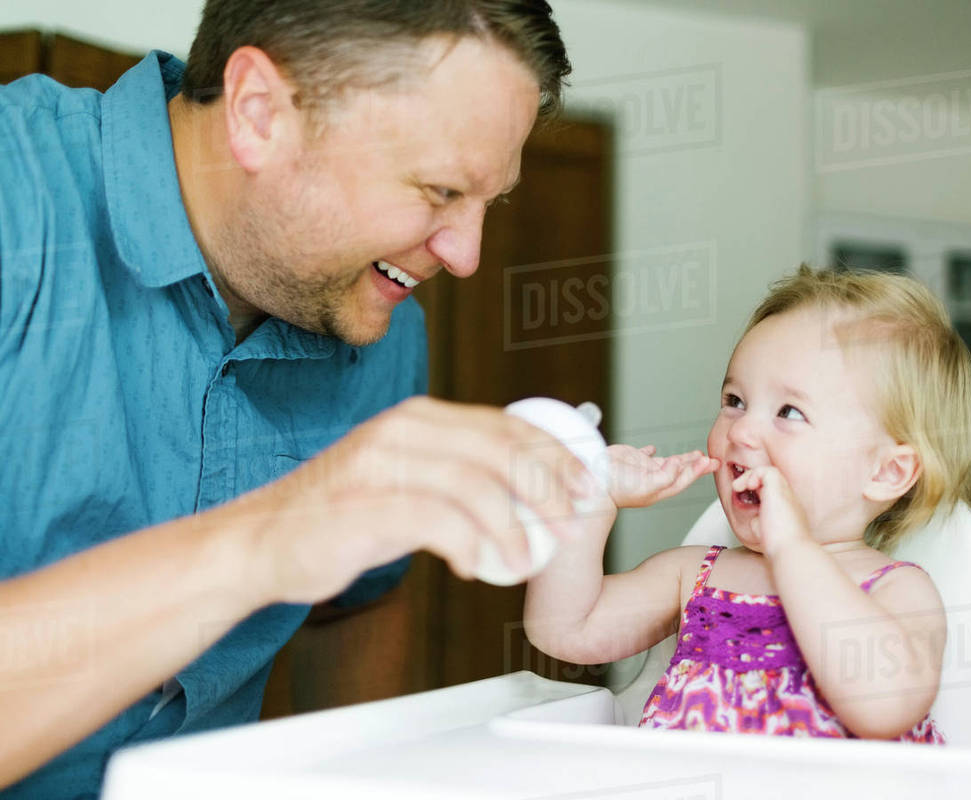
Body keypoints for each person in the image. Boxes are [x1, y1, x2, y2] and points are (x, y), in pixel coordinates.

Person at [0, 1, 590, 796]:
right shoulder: (16, 201)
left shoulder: (374, 313)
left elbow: (359, 604)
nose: (467, 254)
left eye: (492, 201)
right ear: (258, 112)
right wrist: (269, 538)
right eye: (440, 188)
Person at [525, 265, 971, 741]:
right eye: (734, 400)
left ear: (886, 472)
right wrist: (591, 500)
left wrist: (793, 548)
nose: (740, 431)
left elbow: (883, 710)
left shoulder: (898, 591)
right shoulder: (692, 576)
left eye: (789, 412)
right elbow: (564, 631)